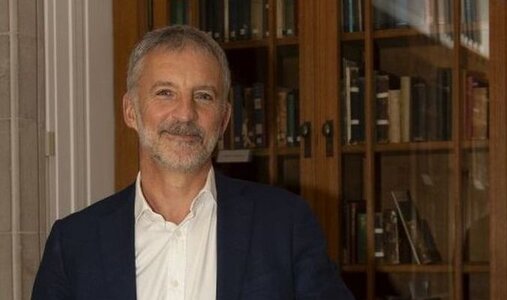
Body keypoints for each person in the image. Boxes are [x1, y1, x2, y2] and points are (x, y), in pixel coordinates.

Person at [32, 25, 353, 300]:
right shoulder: (74, 242)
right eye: (165, 93)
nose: (185, 114)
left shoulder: (286, 224)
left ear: (225, 118)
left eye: (203, 96)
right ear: (131, 111)